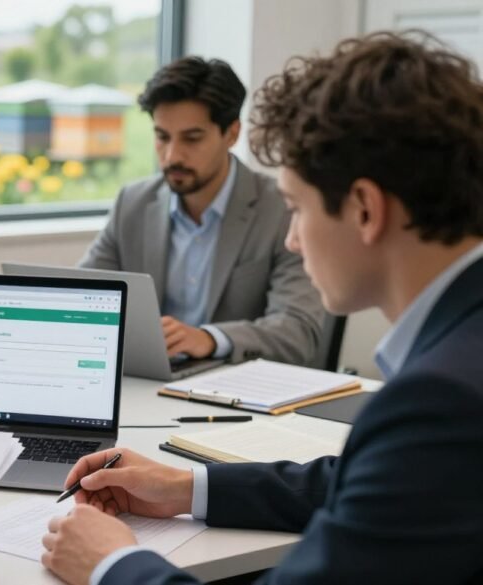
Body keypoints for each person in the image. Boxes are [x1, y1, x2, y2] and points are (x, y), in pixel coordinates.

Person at [42, 32, 483, 584]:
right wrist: (187, 487)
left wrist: (112, 563)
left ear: (365, 210)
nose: (294, 239)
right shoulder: (455, 366)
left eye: (296, 209)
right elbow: (362, 477)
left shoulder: (441, 401)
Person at [79, 57, 323, 365]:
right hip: (150, 384)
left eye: (192, 139)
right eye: (162, 137)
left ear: (232, 134)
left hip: (239, 393)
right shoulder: (133, 203)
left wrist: (209, 339)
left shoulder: (282, 209)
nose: (172, 156)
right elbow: (82, 298)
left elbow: (297, 332)